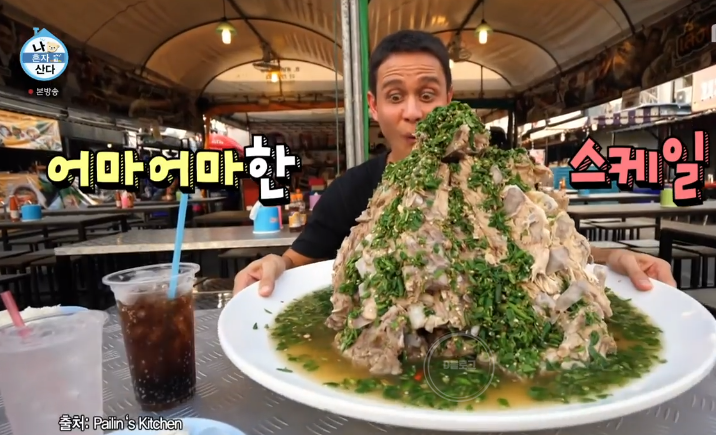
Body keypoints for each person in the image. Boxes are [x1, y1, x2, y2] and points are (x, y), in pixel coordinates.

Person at [233, 30, 675, 297]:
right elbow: (296, 263)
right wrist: (272, 264)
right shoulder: (350, 191)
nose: (413, 112)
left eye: (427, 95)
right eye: (395, 96)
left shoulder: (500, 181)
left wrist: (615, 257)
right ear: (373, 106)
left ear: (449, 100)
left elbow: (550, 252)